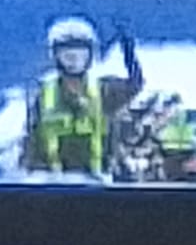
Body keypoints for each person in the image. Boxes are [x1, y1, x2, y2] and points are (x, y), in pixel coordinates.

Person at [25, 16, 142, 178]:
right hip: (54, 185)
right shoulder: (43, 96)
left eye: (80, 54)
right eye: (67, 55)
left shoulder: (104, 90)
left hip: (98, 184)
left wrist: (128, 50)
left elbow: (135, 85)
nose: (74, 61)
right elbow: (32, 142)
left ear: (90, 56)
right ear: (55, 56)